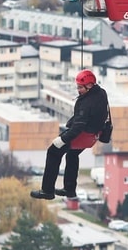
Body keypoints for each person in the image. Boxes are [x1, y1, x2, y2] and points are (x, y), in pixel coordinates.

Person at [30, 69, 109, 200]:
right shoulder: (101, 93)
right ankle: (69, 189)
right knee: (72, 155)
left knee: (53, 152)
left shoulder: (86, 104)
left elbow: (78, 127)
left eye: (80, 87)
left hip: (82, 135)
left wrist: (62, 139)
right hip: (93, 136)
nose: (78, 90)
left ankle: (47, 190)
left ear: (89, 86)